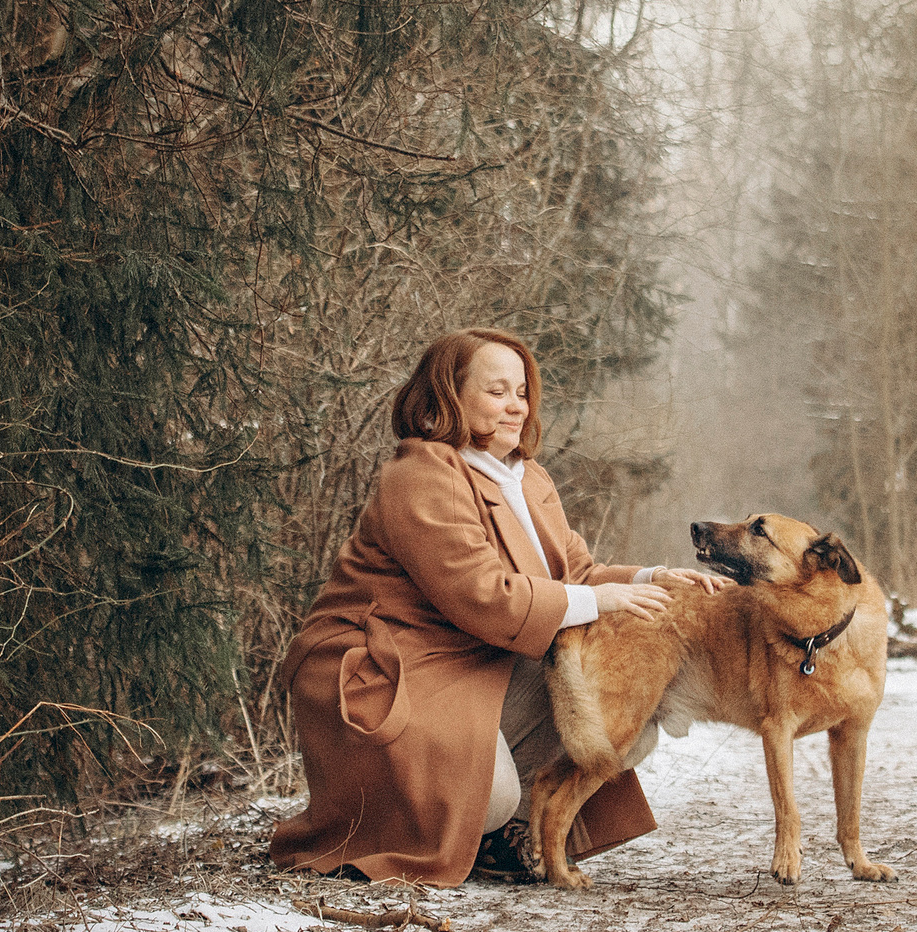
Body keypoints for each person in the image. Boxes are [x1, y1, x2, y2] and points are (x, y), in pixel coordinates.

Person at [268, 328, 726, 883]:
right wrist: (598, 598)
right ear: (448, 396)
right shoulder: (420, 475)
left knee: (624, 719)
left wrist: (652, 577)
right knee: (491, 796)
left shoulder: (527, 478)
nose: (516, 405)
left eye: (522, 392)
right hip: (388, 670)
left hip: (473, 663)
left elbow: (573, 573)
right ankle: (470, 823)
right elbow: (480, 593)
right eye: (497, 391)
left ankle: (511, 835)